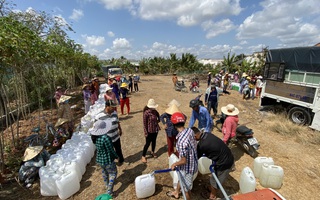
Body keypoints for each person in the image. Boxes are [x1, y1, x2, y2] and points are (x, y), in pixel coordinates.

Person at [192, 127, 234, 200]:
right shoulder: (207, 134)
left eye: (192, 138)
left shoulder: (202, 145)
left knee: (214, 180)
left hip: (224, 163)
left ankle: (213, 196)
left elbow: (195, 157)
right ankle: (211, 188)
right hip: (228, 156)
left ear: (195, 136)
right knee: (214, 179)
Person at [166, 112, 198, 200]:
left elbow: (184, 161)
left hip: (188, 168)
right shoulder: (189, 130)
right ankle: (176, 192)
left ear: (174, 125)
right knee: (181, 177)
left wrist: (174, 164)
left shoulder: (181, 142)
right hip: (192, 161)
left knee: (186, 189)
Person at [90, 120, 118, 197]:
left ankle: (106, 185)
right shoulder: (105, 138)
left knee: (104, 172)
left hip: (99, 159)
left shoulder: (94, 137)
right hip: (107, 159)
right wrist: (116, 156)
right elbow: (110, 149)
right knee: (113, 173)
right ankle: (109, 192)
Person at [97, 100, 124, 164]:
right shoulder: (99, 116)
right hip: (108, 139)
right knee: (110, 151)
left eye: (114, 107)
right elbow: (97, 128)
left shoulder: (114, 113)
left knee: (118, 149)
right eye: (112, 107)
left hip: (116, 136)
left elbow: (117, 121)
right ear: (107, 106)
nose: (114, 108)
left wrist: (120, 129)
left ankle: (121, 160)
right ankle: (112, 162)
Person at [141, 99, 160, 163]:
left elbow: (158, 115)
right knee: (147, 143)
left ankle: (152, 151)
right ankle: (143, 156)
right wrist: (146, 132)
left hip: (155, 129)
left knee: (154, 141)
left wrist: (158, 120)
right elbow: (144, 123)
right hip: (149, 131)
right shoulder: (146, 113)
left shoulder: (155, 111)